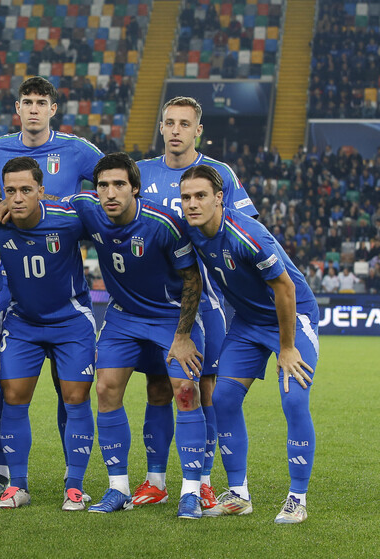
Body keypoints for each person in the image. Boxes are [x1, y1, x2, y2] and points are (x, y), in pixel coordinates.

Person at [0, 76, 104, 499]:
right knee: (11, 386)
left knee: (71, 390)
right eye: (26, 102)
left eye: (40, 102)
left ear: (52, 109)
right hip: (14, 282)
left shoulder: (77, 149)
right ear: (17, 108)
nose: (33, 108)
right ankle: (5, 473)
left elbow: (109, 183)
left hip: (63, 266)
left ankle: (74, 477)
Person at [66, 153, 206, 519]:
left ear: (135, 189)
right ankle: (118, 488)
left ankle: (190, 492)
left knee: (184, 393)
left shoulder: (164, 223)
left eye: (119, 185)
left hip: (169, 316)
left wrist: (183, 335)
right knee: (105, 388)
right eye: (103, 185)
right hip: (123, 317)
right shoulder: (87, 208)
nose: (110, 193)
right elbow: (46, 209)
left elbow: (193, 278)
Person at [134, 96, 258, 510]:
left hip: (206, 301)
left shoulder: (218, 173)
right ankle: (155, 480)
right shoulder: (142, 173)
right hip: (154, 305)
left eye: (184, 124)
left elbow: (246, 228)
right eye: (169, 122)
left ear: (197, 131)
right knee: (156, 388)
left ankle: (202, 481)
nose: (174, 130)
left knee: (203, 389)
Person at [180, 164, 318, 524]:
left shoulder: (246, 234)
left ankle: (297, 498)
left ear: (219, 198)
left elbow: (285, 289)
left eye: (200, 196)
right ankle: (239, 495)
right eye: (186, 197)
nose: (192, 204)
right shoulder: (191, 231)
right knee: (223, 399)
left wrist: (287, 347)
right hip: (247, 323)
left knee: (294, 398)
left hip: (291, 317)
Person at [0, 157, 96, 511]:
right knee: (13, 396)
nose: (17, 198)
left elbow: (112, 228)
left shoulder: (69, 219)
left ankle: (74, 486)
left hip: (71, 320)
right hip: (23, 321)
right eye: (10, 191)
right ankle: (18, 486)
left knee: (75, 398)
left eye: (26, 190)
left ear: (41, 192)